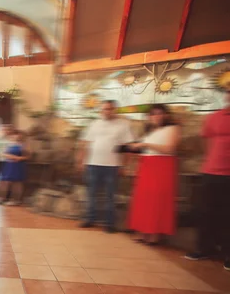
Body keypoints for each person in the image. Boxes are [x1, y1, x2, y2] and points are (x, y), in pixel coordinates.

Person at [185, 88, 230, 270]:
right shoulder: (214, 117)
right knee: (205, 212)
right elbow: (206, 142)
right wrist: (211, 160)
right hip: (211, 172)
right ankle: (204, 248)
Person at [76, 100, 134, 232]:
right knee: (91, 194)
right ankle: (90, 219)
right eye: (104, 109)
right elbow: (85, 143)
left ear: (115, 110)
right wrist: (81, 161)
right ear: (101, 111)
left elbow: (128, 147)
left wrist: (125, 166)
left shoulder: (123, 125)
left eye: (110, 109)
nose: (107, 111)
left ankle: (109, 223)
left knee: (110, 195)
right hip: (93, 164)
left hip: (112, 166)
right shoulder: (94, 124)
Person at [127, 104, 181, 245]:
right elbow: (147, 148)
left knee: (158, 198)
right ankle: (143, 231)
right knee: (144, 198)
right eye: (153, 114)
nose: (156, 116)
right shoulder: (150, 131)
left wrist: (146, 145)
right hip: (148, 165)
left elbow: (169, 149)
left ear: (165, 115)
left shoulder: (172, 128)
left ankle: (155, 234)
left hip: (162, 166)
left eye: (159, 113)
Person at [0, 130, 28, 205]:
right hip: (8, 164)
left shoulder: (24, 145)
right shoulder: (8, 144)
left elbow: (27, 156)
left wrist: (19, 158)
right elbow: (3, 153)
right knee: (4, 181)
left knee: (16, 182)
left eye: (17, 135)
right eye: (14, 135)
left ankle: (15, 200)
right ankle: (2, 198)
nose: (15, 136)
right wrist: (11, 156)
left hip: (18, 165)